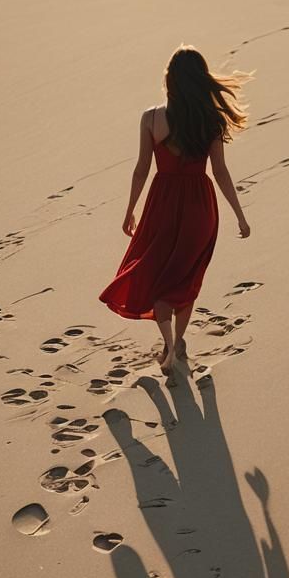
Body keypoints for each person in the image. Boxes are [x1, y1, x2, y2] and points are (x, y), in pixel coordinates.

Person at [99, 45, 252, 375]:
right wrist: (240, 214)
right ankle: (178, 342)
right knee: (187, 277)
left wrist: (129, 210)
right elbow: (220, 171)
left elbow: (141, 168)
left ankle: (169, 341)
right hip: (200, 207)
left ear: (170, 80)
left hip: (161, 205)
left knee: (158, 275)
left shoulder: (151, 118)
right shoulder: (210, 120)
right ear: (200, 81)